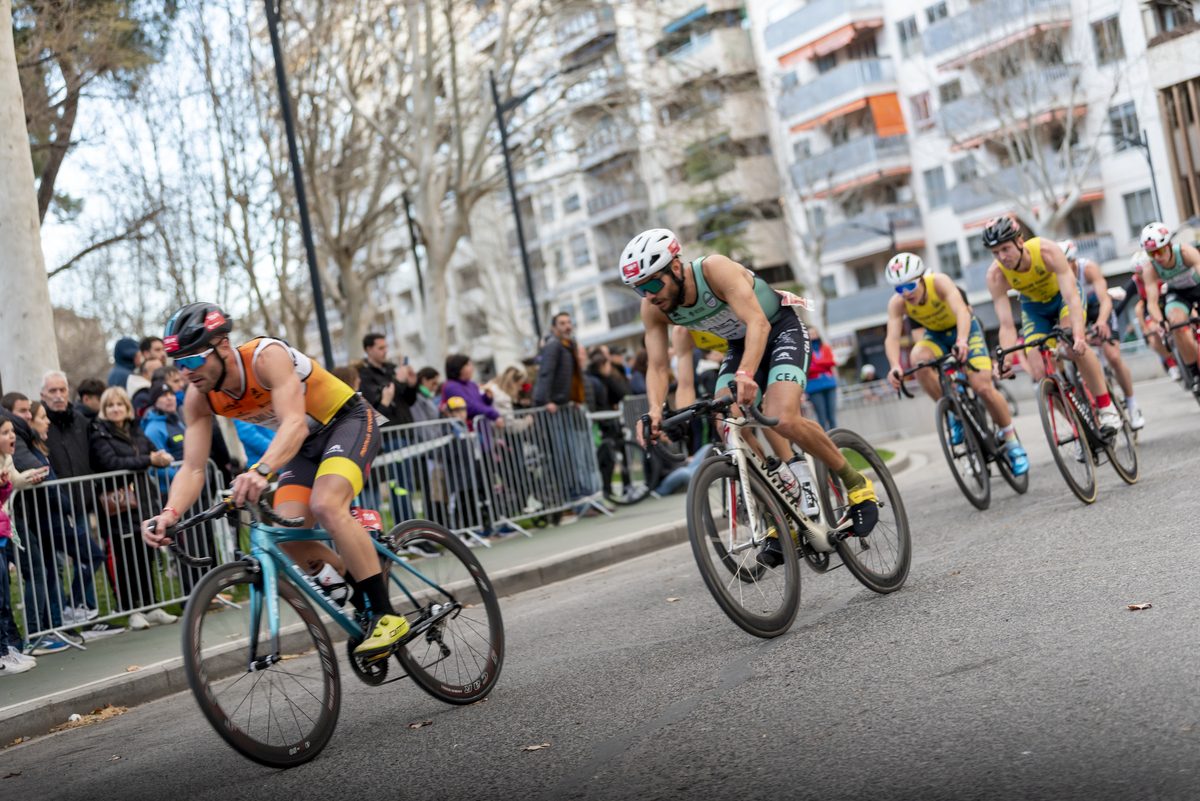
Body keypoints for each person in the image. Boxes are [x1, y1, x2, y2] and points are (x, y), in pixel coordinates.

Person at [141, 303, 407, 658]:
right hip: (303, 447)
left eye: (192, 360)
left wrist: (261, 470)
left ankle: (388, 616)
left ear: (222, 345)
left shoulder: (266, 358)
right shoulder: (198, 397)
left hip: (346, 422)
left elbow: (294, 423)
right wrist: (170, 512)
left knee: (326, 504)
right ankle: (364, 599)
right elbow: (192, 468)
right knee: (288, 534)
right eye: (178, 364)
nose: (187, 372)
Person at [622, 227, 879, 568]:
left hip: (778, 328)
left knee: (783, 416)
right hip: (740, 344)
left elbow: (758, 321)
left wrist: (746, 373)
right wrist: (654, 410)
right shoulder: (654, 308)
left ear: (676, 267)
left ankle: (856, 483)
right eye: (639, 289)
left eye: (652, 284)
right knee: (726, 423)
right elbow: (657, 366)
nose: (649, 295)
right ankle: (779, 512)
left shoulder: (714, 270)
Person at [883, 252, 1029, 474]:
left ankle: (1012, 443)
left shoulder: (939, 282)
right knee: (917, 360)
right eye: (899, 289)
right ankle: (953, 412)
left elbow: (961, 310)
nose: (906, 293)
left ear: (921, 277)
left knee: (983, 389)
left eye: (910, 285)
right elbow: (892, 337)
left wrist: (962, 340)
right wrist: (895, 366)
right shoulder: (897, 304)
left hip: (966, 331)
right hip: (937, 336)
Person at [984, 216, 1120, 434]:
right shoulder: (996, 275)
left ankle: (1106, 406)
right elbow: (1007, 326)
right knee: (1040, 372)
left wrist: (1078, 335)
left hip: (1063, 299)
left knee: (1071, 346)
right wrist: (1006, 360)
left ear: (1019, 241)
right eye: (995, 253)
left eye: (1005, 249)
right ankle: (1078, 430)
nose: (1001, 257)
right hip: (1034, 309)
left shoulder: (1046, 251)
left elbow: (1072, 298)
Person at [89, 388, 177, 630]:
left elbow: (153, 451)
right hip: (117, 505)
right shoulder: (99, 433)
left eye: (119, 404)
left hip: (142, 500)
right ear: (104, 410)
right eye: (110, 405)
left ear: (127, 407)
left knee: (145, 555)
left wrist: (160, 456)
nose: (115, 409)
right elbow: (111, 463)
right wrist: (149, 460)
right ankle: (131, 609)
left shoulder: (136, 429)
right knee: (125, 558)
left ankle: (151, 605)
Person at [39, 371, 107, 623]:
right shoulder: (40, 422)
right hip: (51, 507)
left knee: (87, 558)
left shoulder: (80, 420)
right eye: (52, 391)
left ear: (69, 392)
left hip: (79, 502)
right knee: (54, 566)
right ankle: (58, 618)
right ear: (42, 395)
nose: (58, 396)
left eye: (62, 390)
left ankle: (83, 610)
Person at [1139, 222, 1200, 393]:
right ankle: (1195, 374)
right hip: (1178, 294)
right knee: (1176, 324)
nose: (1157, 257)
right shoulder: (1150, 268)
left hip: (1198, 287)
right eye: (1151, 253)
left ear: (1169, 245)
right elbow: (1151, 302)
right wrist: (1160, 321)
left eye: (1159, 250)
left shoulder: (1186, 252)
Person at [0, 417, 39, 673]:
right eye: (5, 432)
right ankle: (3, 655)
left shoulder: (6, 460)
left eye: (12, 431)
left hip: (1, 534)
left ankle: (6, 649)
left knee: (4, 595)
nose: (11, 435)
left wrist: (4, 487)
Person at [358, 333, 418, 425]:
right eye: (381, 348)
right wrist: (397, 381)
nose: (385, 351)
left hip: (406, 429)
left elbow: (408, 401)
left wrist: (411, 385)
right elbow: (376, 402)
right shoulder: (364, 375)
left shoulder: (391, 370)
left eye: (386, 347)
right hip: (391, 433)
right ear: (369, 350)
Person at [442, 354, 503, 430]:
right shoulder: (451, 386)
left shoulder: (471, 384)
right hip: (469, 430)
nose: (472, 368)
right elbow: (469, 406)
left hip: (482, 428)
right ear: (459, 368)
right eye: (468, 365)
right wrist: (493, 414)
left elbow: (479, 403)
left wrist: (487, 398)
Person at [806, 327, 838, 431]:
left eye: (814, 333)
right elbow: (807, 368)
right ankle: (824, 443)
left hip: (829, 383)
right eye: (810, 333)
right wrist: (823, 366)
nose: (813, 335)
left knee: (832, 416)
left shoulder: (825, 347)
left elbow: (832, 362)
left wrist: (816, 365)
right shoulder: (804, 350)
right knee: (821, 417)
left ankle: (836, 443)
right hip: (814, 387)